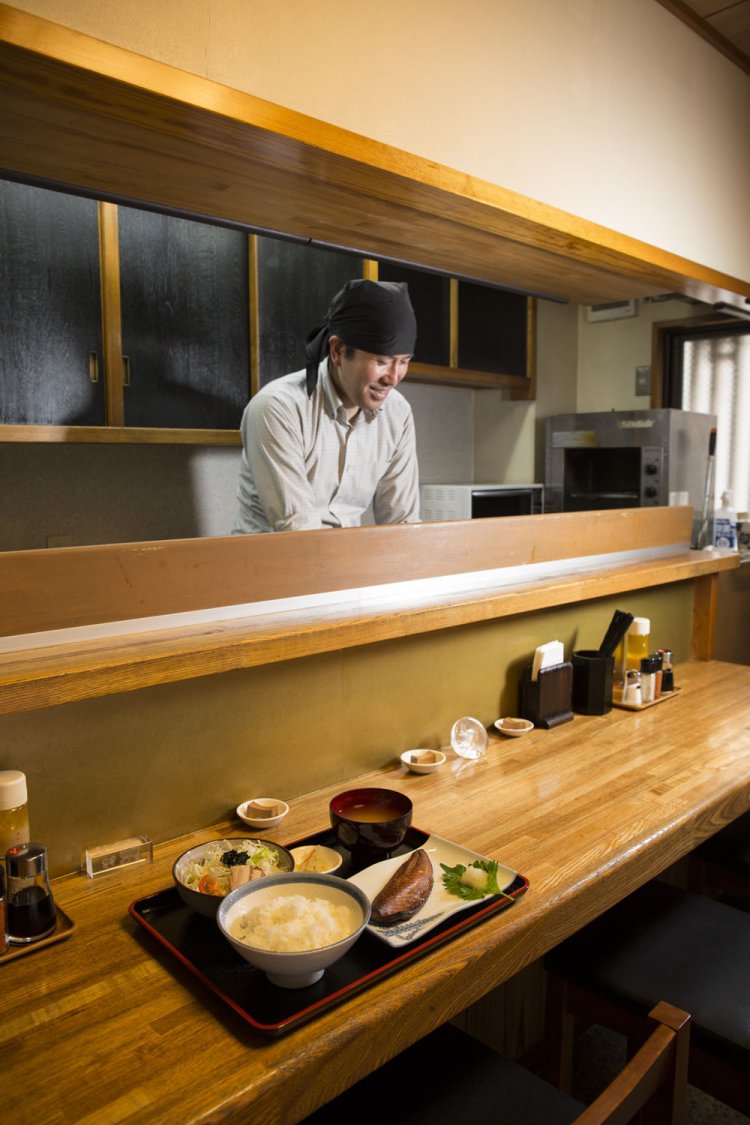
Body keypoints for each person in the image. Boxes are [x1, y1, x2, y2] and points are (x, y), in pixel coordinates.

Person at [233, 279, 420, 533]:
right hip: (271, 565)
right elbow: (297, 528)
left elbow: (402, 523)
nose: (393, 377)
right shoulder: (278, 408)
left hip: (345, 563)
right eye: (382, 361)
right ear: (338, 350)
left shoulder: (398, 414)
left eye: (404, 362)